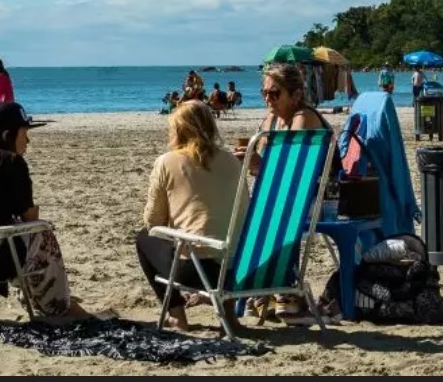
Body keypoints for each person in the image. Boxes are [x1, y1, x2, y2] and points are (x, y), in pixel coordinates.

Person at [0, 102, 88, 319]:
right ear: (6, 135)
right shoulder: (10, 162)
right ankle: (58, 306)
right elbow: (29, 217)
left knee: (25, 230)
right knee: (42, 232)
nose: (28, 141)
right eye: (24, 134)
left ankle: (45, 297)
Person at [233, 63, 333, 321]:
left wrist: (259, 164)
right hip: (289, 194)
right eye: (264, 92)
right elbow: (272, 173)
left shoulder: (303, 118)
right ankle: (265, 291)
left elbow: (294, 172)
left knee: (277, 214)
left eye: (275, 93)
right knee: (252, 211)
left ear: (296, 95)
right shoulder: (272, 119)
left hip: (322, 196)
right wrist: (253, 163)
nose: (268, 99)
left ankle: (283, 294)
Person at [135, 101, 245, 334]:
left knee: (145, 238)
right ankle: (229, 315)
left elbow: (153, 222)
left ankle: (177, 316)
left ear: (178, 129)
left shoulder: (167, 161)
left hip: (200, 270)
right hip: (241, 268)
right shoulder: (232, 161)